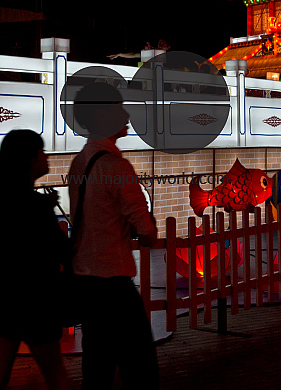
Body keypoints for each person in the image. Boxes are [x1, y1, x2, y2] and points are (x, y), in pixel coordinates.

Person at [68, 82, 159, 390]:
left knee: (97, 363)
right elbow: (147, 232)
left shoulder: (80, 162)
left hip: (85, 280)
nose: (126, 113)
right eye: (119, 107)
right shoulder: (117, 166)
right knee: (140, 365)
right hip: (114, 283)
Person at [0, 130, 70, 390]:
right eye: (42, 151)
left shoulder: (1, 199)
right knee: (56, 375)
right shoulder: (34, 204)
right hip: (36, 303)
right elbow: (57, 248)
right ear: (29, 159)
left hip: (4, 302)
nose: (46, 156)